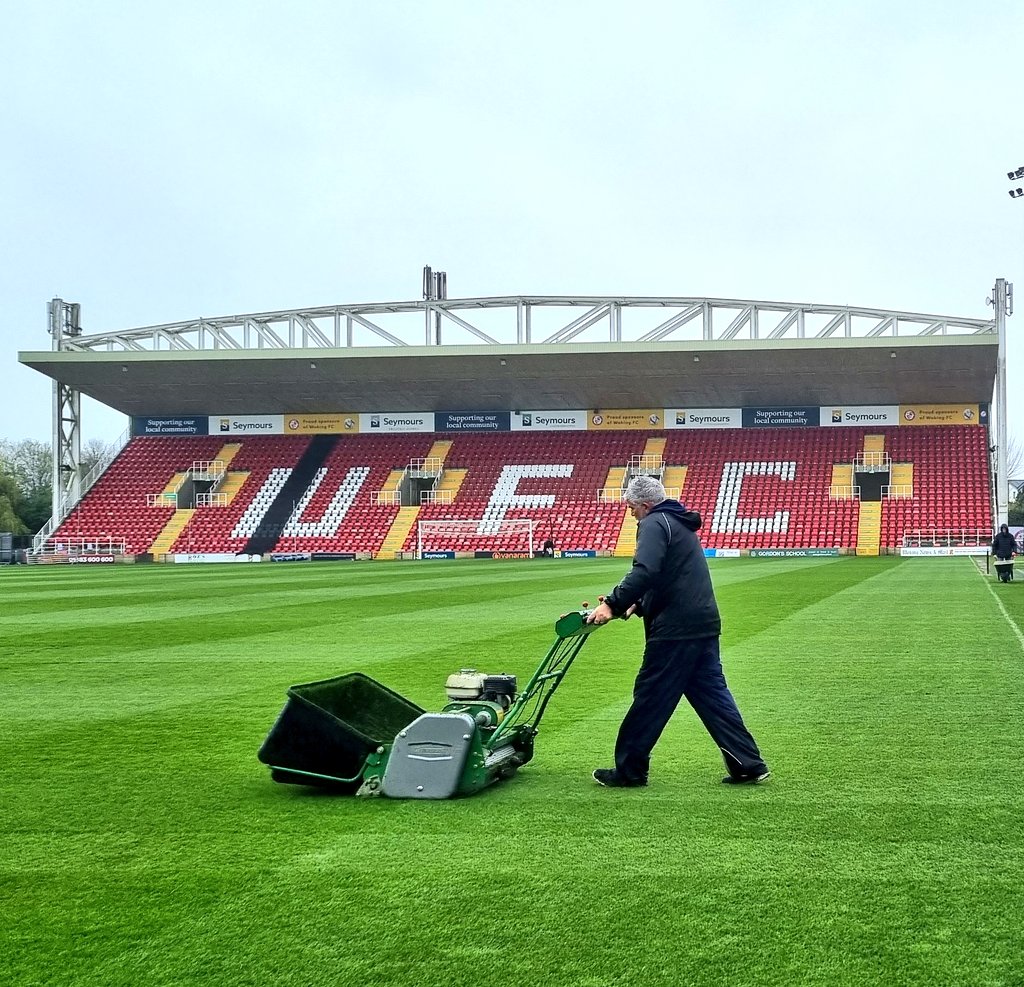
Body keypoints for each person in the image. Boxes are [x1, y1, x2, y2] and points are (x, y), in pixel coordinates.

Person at [585, 475, 769, 788]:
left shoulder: (653, 523)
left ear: (645, 505)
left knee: (651, 697)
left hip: (675, 630)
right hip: (703, 623)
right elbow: (670, 576)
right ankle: (747, 763)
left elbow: (646, 570)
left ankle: (629, 770)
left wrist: (613, 604)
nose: (631, 514)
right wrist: (638, 604)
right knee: (713, 697)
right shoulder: (679, 522)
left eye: (632, 508)